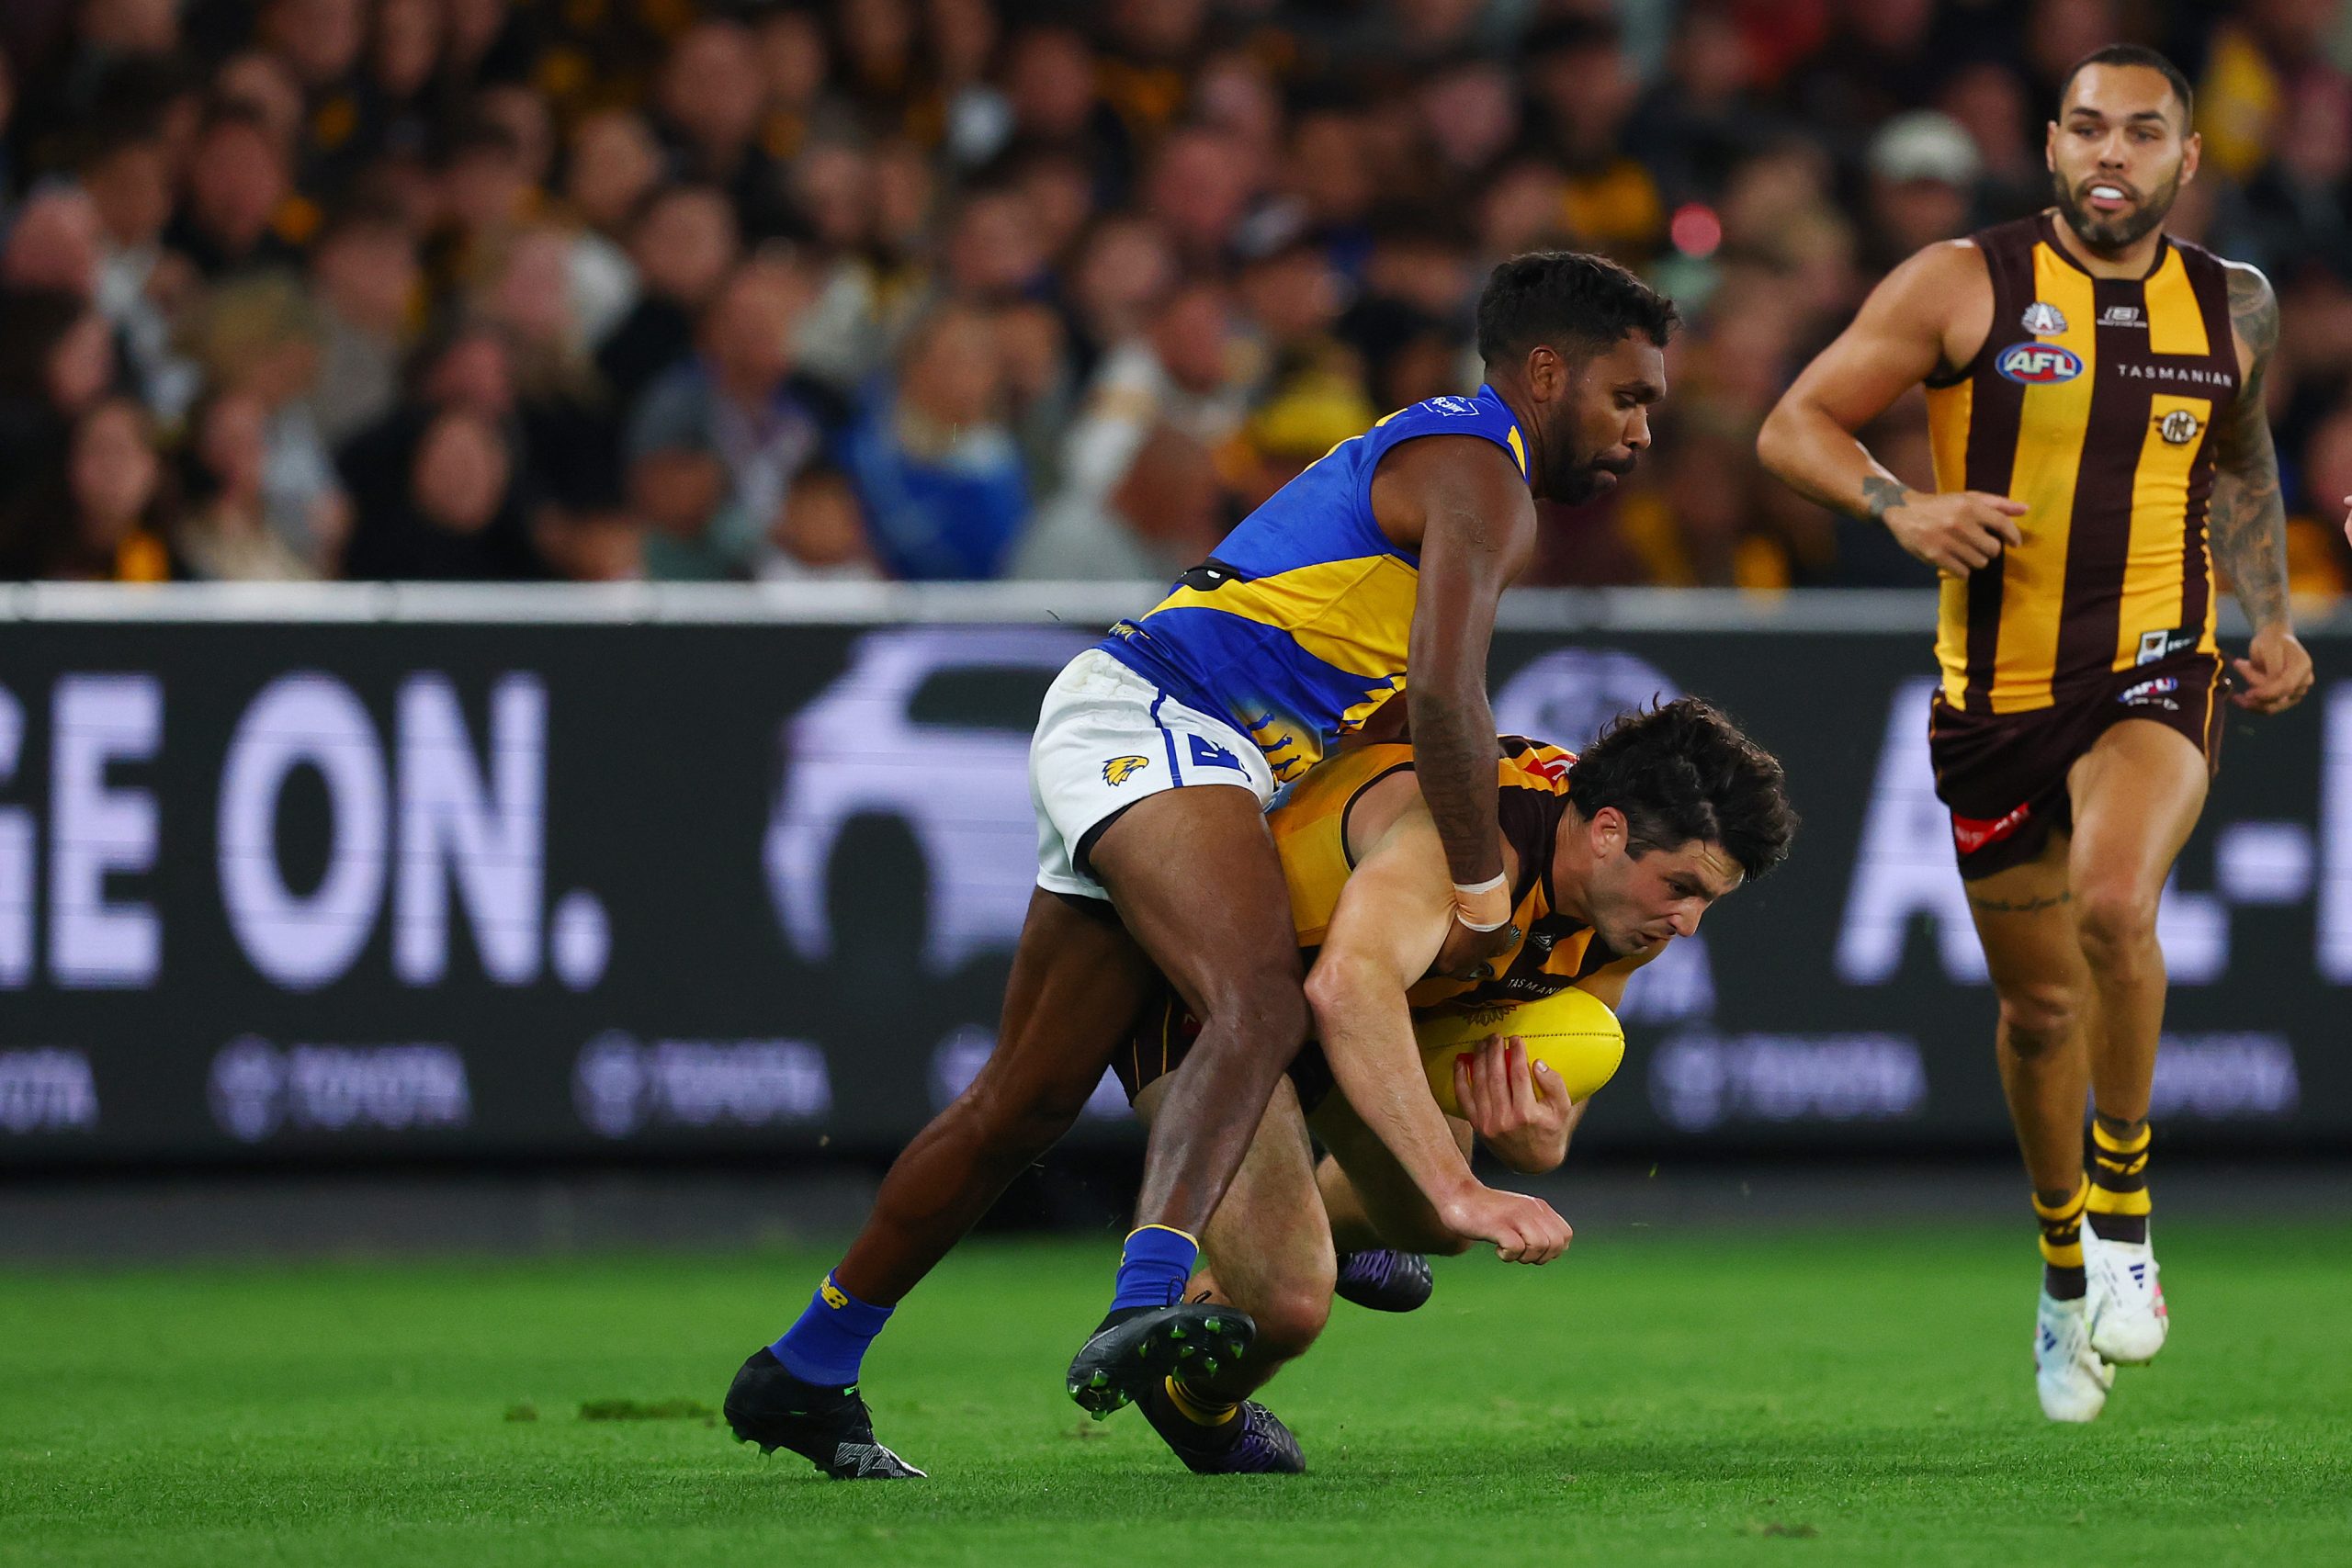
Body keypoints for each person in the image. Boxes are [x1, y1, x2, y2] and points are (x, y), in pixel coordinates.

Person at [723, 249, 1676, 1479]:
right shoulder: (1484, 477)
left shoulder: (1447, 464)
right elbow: (1448, 697)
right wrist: (1488, 890)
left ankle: (803, 1363)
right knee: (1263, 996)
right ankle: (1151, 1288)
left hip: (1172, 735)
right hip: (1165, 720)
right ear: (1547, 371)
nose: (1645, 428)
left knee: (1021, 1103)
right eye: (1630, 395)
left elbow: (1395, 704)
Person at [1756, 45, 2313, 1424]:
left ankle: (2126, 1217)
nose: (2109, 155)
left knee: (2119, 905)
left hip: (2157, 668)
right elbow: (1793, 424)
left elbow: (2235, 454)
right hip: (1994, 701)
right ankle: (2065, 1271)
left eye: (2140, 133)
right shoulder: (1965, 281)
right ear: (2053, 149)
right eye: (2084, 129)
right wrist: (1901, 504)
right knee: (2039, 1006)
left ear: (2189, 159)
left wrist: (2274, 615)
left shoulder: (2233, 303)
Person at [1113, 701, 1795, 1473]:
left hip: (1342, 999)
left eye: (1708, 899)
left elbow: (1580, 1023)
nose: (1689, 923)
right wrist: (1458, 1187)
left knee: (1434, 1225)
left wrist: (1545, 1135)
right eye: (1683, 886)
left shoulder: (1623, 900)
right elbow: (1348, 987)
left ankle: (1315, 1235)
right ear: (1607, 831)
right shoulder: (1481, 838)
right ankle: (1195, 1401)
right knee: (1293, 1303)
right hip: (1214, 992)